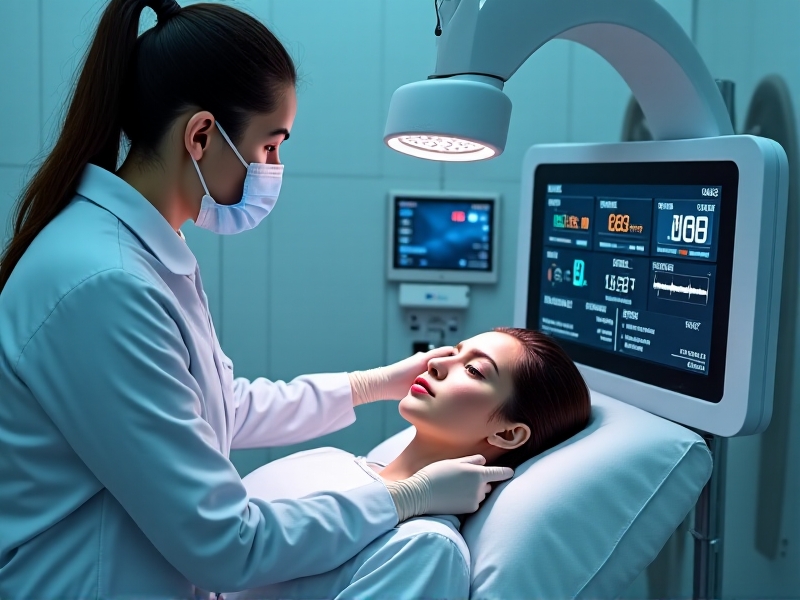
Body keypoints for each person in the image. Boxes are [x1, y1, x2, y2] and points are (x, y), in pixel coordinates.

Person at [0, 1, 513, 598]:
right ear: (201, 136)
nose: (274, 168)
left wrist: (373, 384)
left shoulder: (142, 254)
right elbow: (225, 545)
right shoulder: (106, 284)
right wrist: (404, 498)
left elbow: (221, 408)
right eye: (270, 147)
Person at [228, 327, 591, 600]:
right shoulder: (330, 459)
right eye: (454, 351)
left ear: (508, 434)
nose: (435, 362)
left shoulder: (425, 549)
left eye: (474, 370)